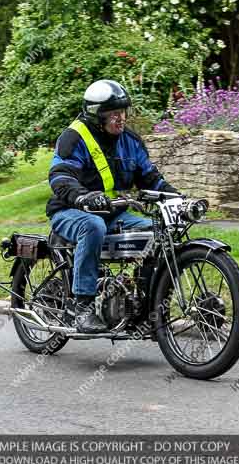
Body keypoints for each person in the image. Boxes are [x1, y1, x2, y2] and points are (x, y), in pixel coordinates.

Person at [46, 79, 179, 334]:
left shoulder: (130, 140)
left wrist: (176, 197)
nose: (121, 118)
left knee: (157, 231)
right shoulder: (74, 137)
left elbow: (150, 178)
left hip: (114, 213)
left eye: (123, 112)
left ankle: (147, 309)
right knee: (93, 226)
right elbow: (61, 176)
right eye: (114, 113)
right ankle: (82, 307)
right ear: (97, 115)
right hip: (70, 211)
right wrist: (82, 197)